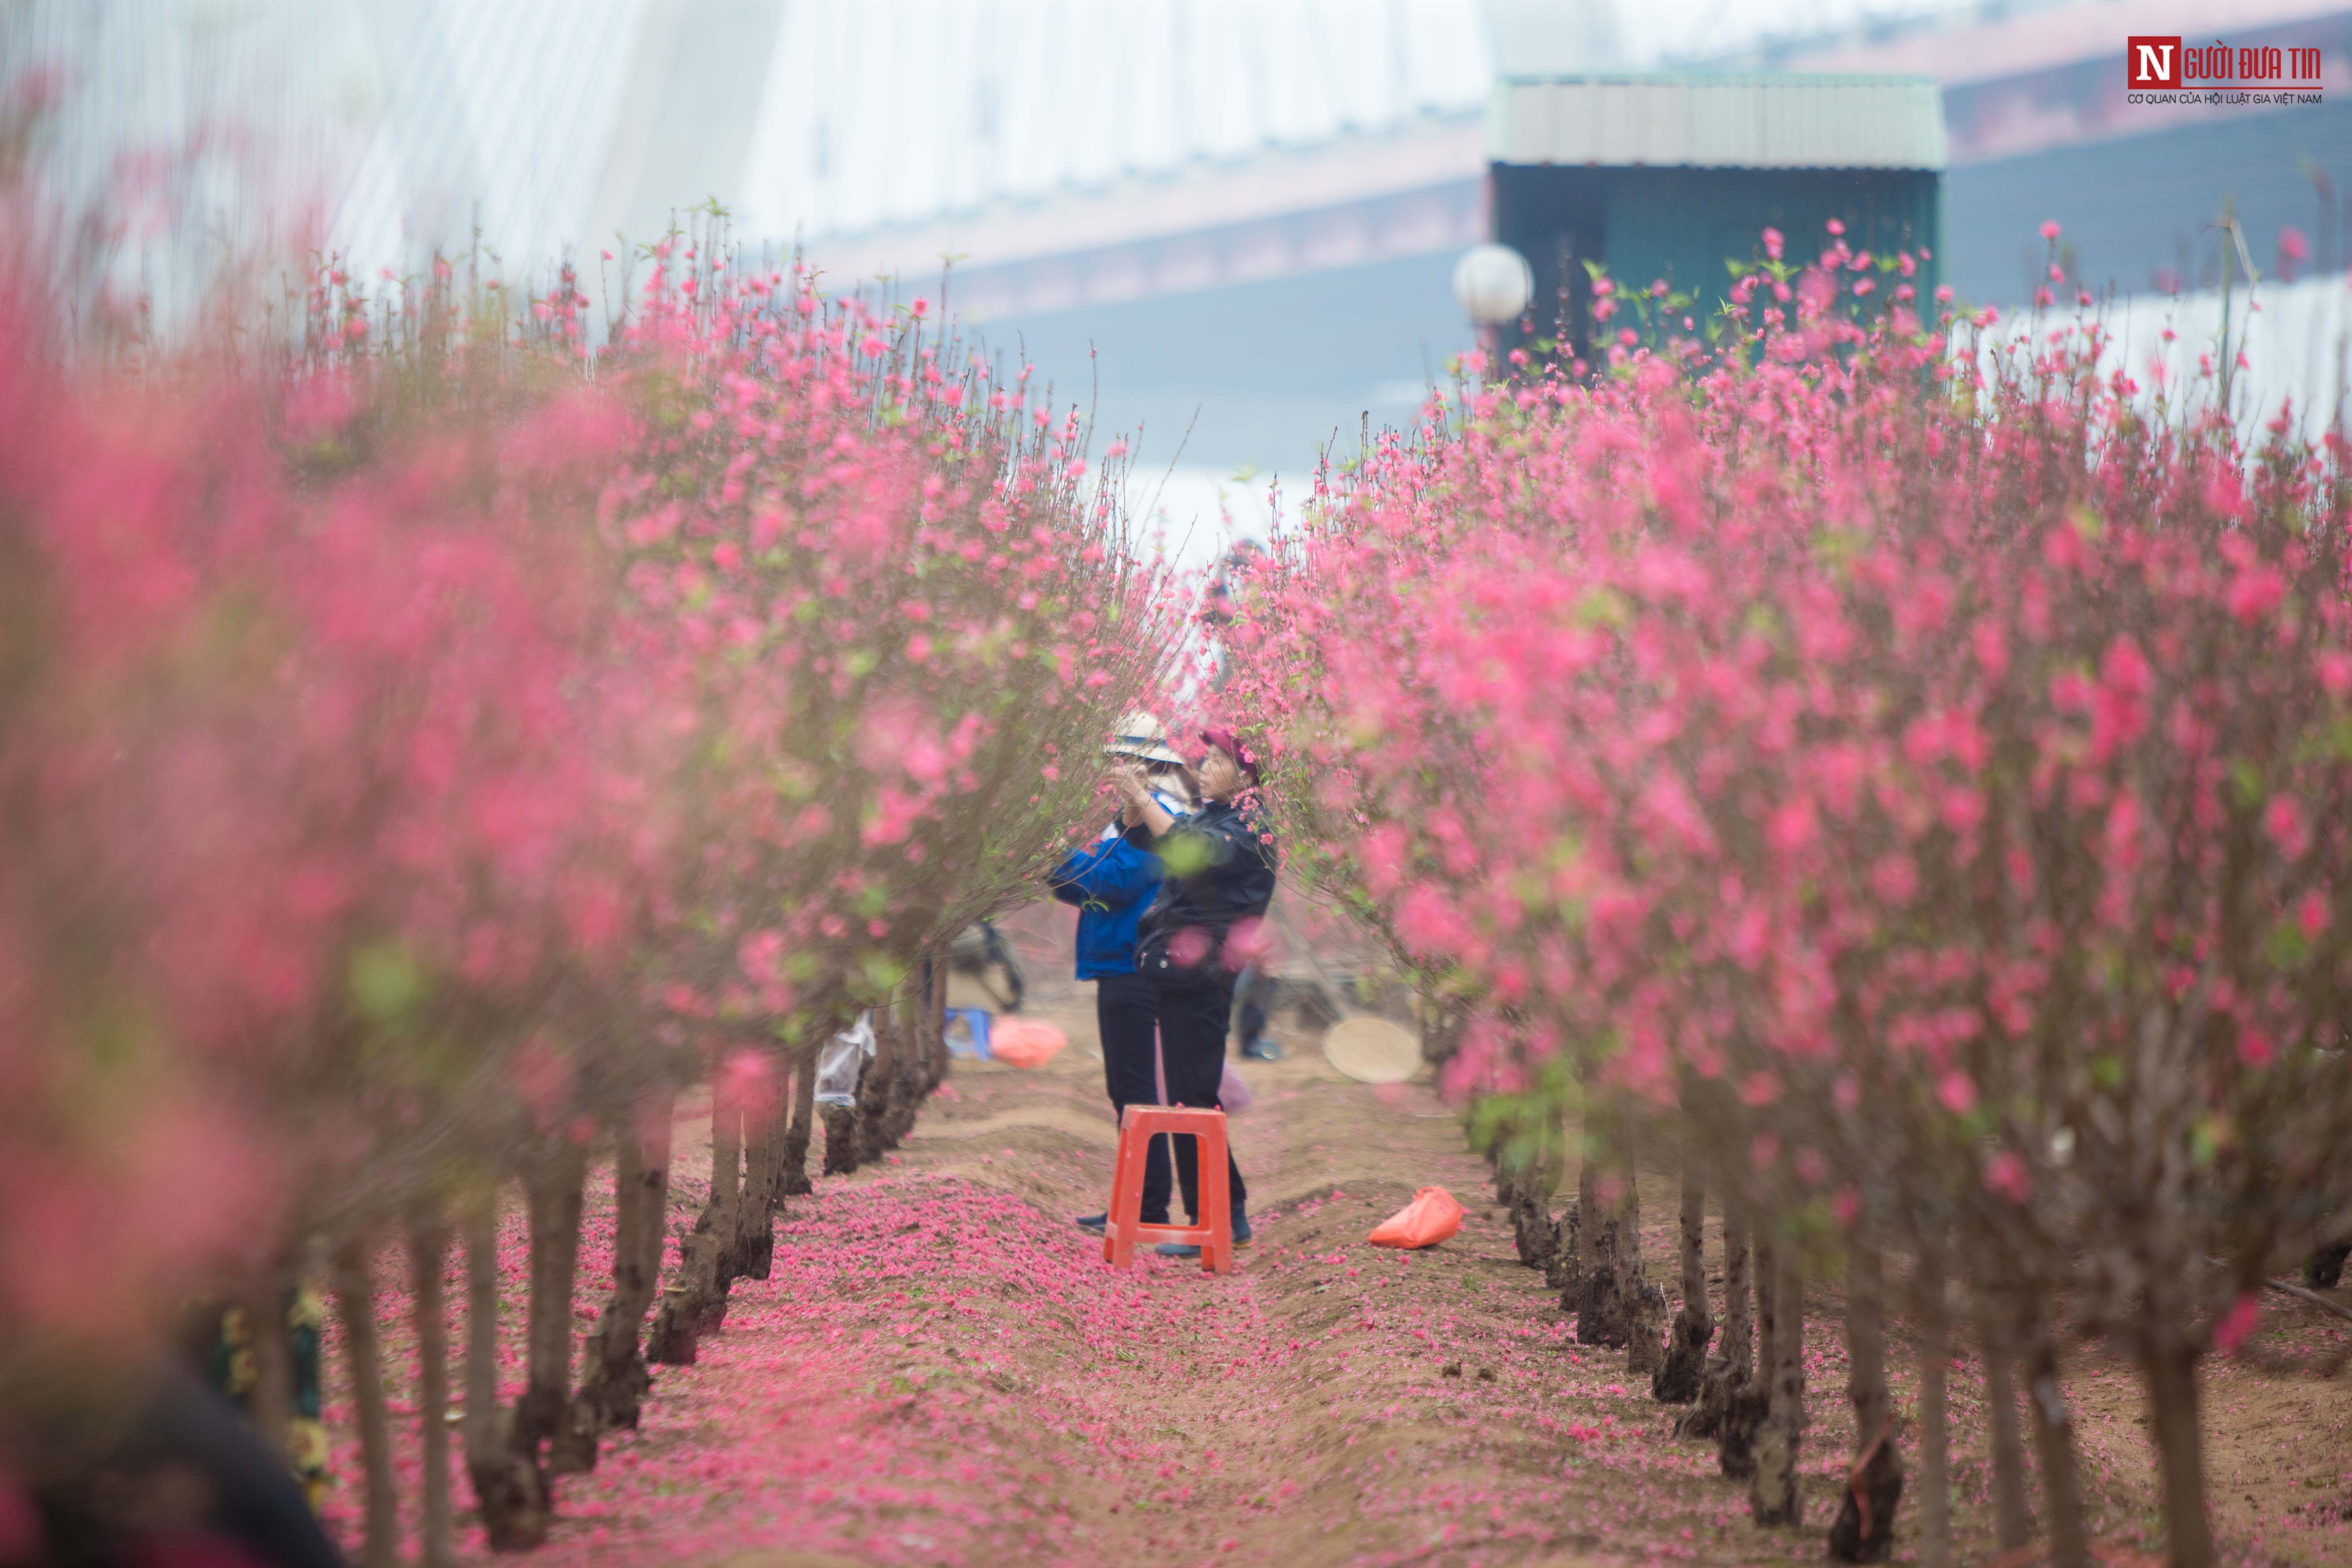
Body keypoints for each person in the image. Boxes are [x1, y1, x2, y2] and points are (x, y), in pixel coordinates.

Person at [1120, 727, 1278, 1257]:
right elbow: (1162, 837)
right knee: (1192, 1095)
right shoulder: (1215, 815)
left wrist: (1145, 798)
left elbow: (1190, 849)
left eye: (1217, 760)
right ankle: (1224, 1211)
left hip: (1204, 977)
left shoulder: (1250, 827)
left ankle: (1215, 1214)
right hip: (1180, 972)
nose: (1204, 766)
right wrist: (1134, 804)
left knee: (1193, 1096)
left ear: (1247, 774)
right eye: (1205, 757)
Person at [1050, 712, 1195, 1236]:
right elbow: (1085, 886)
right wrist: (1059, 866)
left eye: (1126, 763)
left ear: (1148, 767)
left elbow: (1107, 882)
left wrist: (1051, 852)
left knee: (1134, 1091)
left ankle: (1146, 1208)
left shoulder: (1161, 827)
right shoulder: (1129, 825)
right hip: (1115, 966)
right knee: (1126, 1090)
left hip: (1133, 967)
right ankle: (1140, 1202)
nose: (1116, 772)